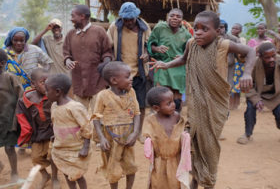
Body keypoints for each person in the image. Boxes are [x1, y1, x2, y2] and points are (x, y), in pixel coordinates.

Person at [150, 11, 256, 189]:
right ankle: (196, 179)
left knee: (210, 146)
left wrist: (247, 73)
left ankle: (208, 182)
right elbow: (184, 59)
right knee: (193, 144)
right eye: (196, 28)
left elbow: (251, 51)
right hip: (196, 102)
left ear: (217, 31)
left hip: (216, 106)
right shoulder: (191, 44)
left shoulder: (223, 44)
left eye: (204, 29)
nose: (198, 32)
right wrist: (166, 64)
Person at [237, 42, 280, 145]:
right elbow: (248, 86)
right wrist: (256, 100)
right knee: (249, 111)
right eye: (267, 57)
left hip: (277, 95)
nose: (271, 59)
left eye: (273, 56)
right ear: (260, 56)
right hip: (257, 94)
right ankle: (247, 134)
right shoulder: (253, 64)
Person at [92, 61, 140, 189]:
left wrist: (135, 133)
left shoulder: (132, 92)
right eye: (127, 76)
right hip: (110, 138)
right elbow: (96, 117)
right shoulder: (103, 95)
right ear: (114, 80)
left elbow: (136, 113)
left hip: (127, 136)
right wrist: (101, 138)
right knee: (113, 167)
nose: (131, 79)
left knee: (130, 166)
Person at [106, 2, 150, 141]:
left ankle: (138, 133)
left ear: (136, 16)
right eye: (126, 19)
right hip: (121, 75)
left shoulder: (144, 27)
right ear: (122, 18)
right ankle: (121, 132)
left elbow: (149, 44)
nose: (129, 22)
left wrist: (146, 54)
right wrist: (112, 61)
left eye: (131, 19)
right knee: (119, 104)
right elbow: (108, 45)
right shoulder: (115, 27)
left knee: (141, 105)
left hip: (139, 73)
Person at [63, 5, 113, 112]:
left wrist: (105, 64)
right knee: (81, 115)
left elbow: (107, 52)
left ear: (82, 16)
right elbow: (66, 53)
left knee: (99, 115)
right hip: (79, 82)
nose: (71, 19)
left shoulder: (99, 31)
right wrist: (68, 61)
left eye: (73, 16)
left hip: (97, 81)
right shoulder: (70, 34)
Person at [45, 74, 92, 189]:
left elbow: (87, 127)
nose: (45, 93)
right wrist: (55, 135)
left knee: (78, 175)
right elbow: (56, 122)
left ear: (57, 92)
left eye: (47, 90)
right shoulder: (54, 106)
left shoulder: (75, 107)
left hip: (76, 149)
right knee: (66, 172)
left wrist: (85, 146)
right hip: (61, 148)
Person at [16, 68, 59, 189]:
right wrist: (26, 133)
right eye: (43, 82)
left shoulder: (54, 95)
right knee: (36, 158)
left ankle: (55, 177)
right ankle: (45, 175)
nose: (47, 85)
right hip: (38, 133)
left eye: (49, 81)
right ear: (33, 84)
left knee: (53, 155)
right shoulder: (26, 99)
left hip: (53, 132)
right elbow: (21, 116)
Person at [142, 86, 191, 189]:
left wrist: (186, 135)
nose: (173, 105)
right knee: (158, 184)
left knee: (176, 184)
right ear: (156, 108)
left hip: (176, 161)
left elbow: (183, 128)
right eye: (169, 103)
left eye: (173, 101)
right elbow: (146, 134)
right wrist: (148, 141)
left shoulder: (177, 117)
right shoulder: (151, 120)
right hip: (159, 162)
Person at [148, 8, 191, 111]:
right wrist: (157, 49)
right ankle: (160, 119)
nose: (174, 18)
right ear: (167, 17)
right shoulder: (159, 28)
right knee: (162, 94)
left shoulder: (186, 34)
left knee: (176, 97)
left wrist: (182, 56)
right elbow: (150, 44)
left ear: (182, 19)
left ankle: (175, 119)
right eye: (172, 15)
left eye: (178, 16)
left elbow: (189, 52)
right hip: (162, 65)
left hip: (178, 67)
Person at [0, 49, 23, 182]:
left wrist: (18, 118)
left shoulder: (10, 77)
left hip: (9, 120)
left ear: (2, 63)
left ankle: (14, 172)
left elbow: (21, 97)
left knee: (9, 148)